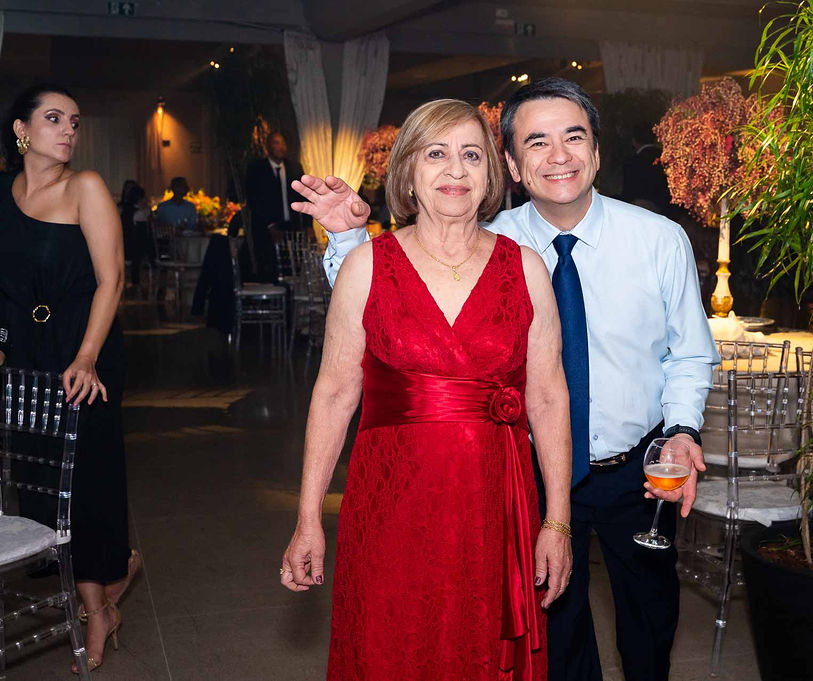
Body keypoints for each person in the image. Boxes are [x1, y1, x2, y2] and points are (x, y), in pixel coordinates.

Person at [308, 78, 719, 681]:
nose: (558, 156)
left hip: (635, 471)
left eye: (573, 137)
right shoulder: (491, 235)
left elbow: (689, 353)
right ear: (513, 164)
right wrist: (348, 238)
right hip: (526, 473)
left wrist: (682, 429)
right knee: (556, 643)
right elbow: (401, 302)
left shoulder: (658, 239)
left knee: (648, 633)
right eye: (537, 142)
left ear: (596, 151)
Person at [280, 99, 573, 681]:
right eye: (436, 154)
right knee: (389, 648)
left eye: (472, 155)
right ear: (409, 171)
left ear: (491, 174)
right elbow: (334, 394)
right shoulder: (366, 267)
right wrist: (308, 516)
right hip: (391, 509)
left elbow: (547, 398)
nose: (455, 170)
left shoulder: (526, 269)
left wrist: (557, 522)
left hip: (494, 512)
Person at [0, 83, 141, 674]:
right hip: (26, 354)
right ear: (21, 129)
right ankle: (109, 578)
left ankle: (97, 610)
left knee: (84, 485)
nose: (68, 131)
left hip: (85, 351)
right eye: (54, 118)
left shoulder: (86, 188)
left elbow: (112, 278)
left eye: (75, 122)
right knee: (39, 485)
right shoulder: (3, 195)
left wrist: (86, 357)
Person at [245, 131, 310, 281]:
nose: (281, 147)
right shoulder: (256, 169)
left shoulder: (295, 168)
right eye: (276, 143)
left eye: (283, 143)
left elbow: (304, 196)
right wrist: (271, 225)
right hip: (266, 229)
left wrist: (308, 225)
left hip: (292, 227)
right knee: (270, 270)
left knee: (293, 269)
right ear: (268, 146)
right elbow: (254, 200)